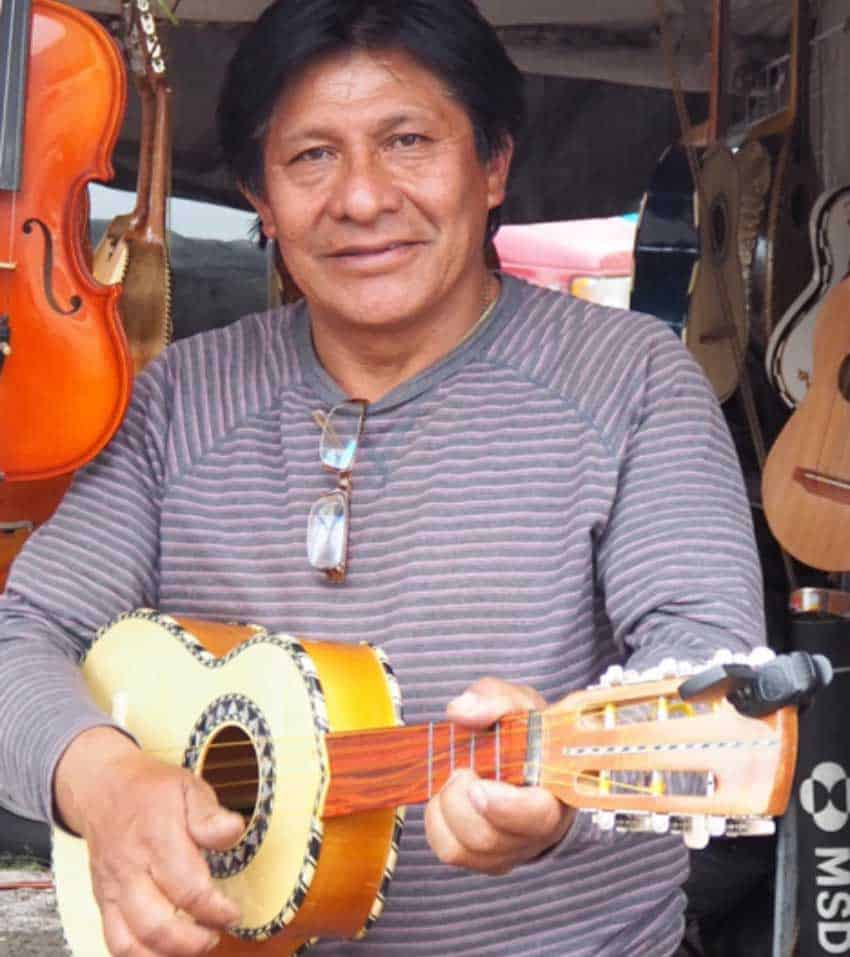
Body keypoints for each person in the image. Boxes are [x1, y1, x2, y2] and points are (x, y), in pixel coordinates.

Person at [0, 1, 766, 954]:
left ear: (493, 166)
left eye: (407, 140)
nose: (361, 198)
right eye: (311, 156)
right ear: (259, 196)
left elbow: (718, 697)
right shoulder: (177, 401)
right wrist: (102, 779)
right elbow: (22, 634)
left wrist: (562, 802)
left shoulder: (633, 386)